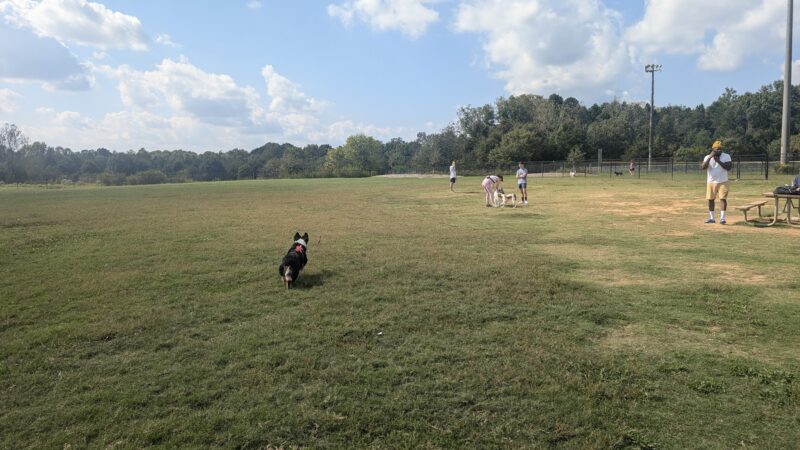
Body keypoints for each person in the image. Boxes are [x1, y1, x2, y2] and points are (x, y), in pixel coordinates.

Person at [700, 140, 732, 224]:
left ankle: (722, 218)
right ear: (713, 149)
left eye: (720, 149)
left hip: (723, 181)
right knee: (710, 199)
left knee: (723, 199)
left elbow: (728, 167)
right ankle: (712, 218)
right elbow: (703, 167)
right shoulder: (707, 157)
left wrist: (718, 160)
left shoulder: (726, 156)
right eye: (717, 149)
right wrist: (710, 157)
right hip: (711, 181)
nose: (719, 150)